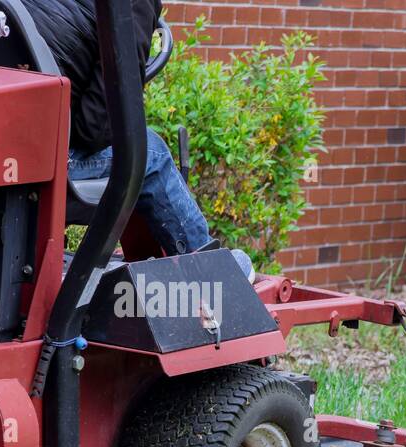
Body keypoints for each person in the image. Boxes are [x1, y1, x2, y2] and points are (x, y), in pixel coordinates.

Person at [22, 0, 252, 275]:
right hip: (48, 164)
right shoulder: (131, 5)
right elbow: (93, 129)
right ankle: (211, 269)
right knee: (149, 151)